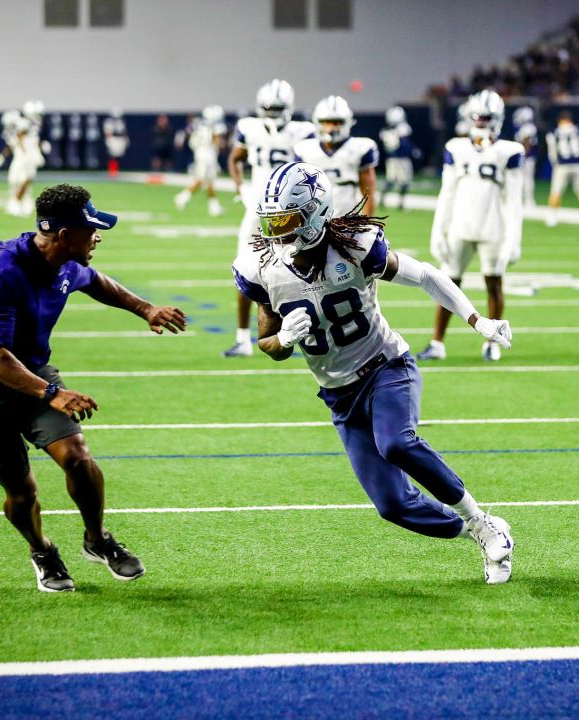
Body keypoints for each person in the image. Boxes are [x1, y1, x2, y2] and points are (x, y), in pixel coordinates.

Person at [234, 162, 516, 583]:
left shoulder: (356, 247)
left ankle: (479, 519)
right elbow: (267, 344)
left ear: (314, 213)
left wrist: (478, 321)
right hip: (339, 393)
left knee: (397, 443)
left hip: (385, 365)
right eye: (271, 222)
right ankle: (477, 530)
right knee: (392, 505)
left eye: (287, 221)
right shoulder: (262, 268)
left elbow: (427, 276)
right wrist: (284, 341)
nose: (277, 233)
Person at [0, 184, 188, 592]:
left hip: (32, 375)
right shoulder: (1, 274)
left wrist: (146, 308)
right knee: (22, 491)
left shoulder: (64, 262)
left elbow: (95, 281)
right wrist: (53, 393)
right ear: (63, 234)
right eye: (91, 229)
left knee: (77, 455)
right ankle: (41, 550)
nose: (98, 237)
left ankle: (97, 540)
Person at [418, 90, 523, 363]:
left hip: (493, 229)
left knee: (493, 284)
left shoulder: (509, 151)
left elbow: (514, 201)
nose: (480, 122)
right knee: (447, 284)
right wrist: (438, 230)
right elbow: (447, 192)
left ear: (497, 119)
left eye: (486, 118)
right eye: (476, 117)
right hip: (460, 226)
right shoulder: (456, 147)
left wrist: (514, 240)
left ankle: (493, 342)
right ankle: (437, 342)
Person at [224, 78, 316, 358]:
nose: (273, 113)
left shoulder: (304, 132)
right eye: (269, 108)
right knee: (245, 270)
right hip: (258, 210)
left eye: (278, 108)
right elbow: (234, 157)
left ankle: (311, 333)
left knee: (306, 270)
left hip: (293, 212)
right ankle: (242, 338)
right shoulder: (249, 128)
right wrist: (241, 188)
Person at [293, 95, 378, 217]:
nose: (331, 128)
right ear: (318, 122)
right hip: (312, 220)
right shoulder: (304, 149)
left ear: (347, 122)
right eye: (326, 122)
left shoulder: (360, 148)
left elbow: (368, 193)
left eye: (336, 122)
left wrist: (368, 222)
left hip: (348, 219)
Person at [544, 110, 579, 226]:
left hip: (562, 165)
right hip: (578, 165)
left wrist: (555, 164)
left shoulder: (554, 133)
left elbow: (552, 153)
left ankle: (552, 217)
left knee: (556, 191)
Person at [173, 105, 226, 217]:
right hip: (208, 155)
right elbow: (218, 143)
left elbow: (192, 142)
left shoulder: (199, 125)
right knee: (202, 180)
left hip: (200, 153)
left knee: (209, 181)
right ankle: (182, 197)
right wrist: (222, 144)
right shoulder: (214, 127)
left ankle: (213, 206)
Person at [379, 106, 417, 210]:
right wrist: (413, 150)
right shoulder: (402, 128)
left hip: (391, 159)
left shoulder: (385, 130)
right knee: (404, 182)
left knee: (390, 180)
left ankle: (382, 200)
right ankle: (401, 203)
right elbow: (405, 143)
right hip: (401, 159)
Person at [511, 106, 539, 207]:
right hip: (525, 156)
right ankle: (523, 200)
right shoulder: (524, 127)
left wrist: (523, 156)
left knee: (527, 179)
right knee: (521, 179)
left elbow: (527, 144)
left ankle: (529, 200)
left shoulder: (528, 127)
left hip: (527, 157)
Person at [103, 108, 129, 177]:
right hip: (113, 138)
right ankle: (112, 171)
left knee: (118, 156)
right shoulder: (108, 122)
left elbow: (123, 131)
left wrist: (125, 139)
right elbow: (108, 132)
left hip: (120, 139)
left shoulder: (121, 122)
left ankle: (116, 171)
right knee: (112, 156)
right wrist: (109, 140)